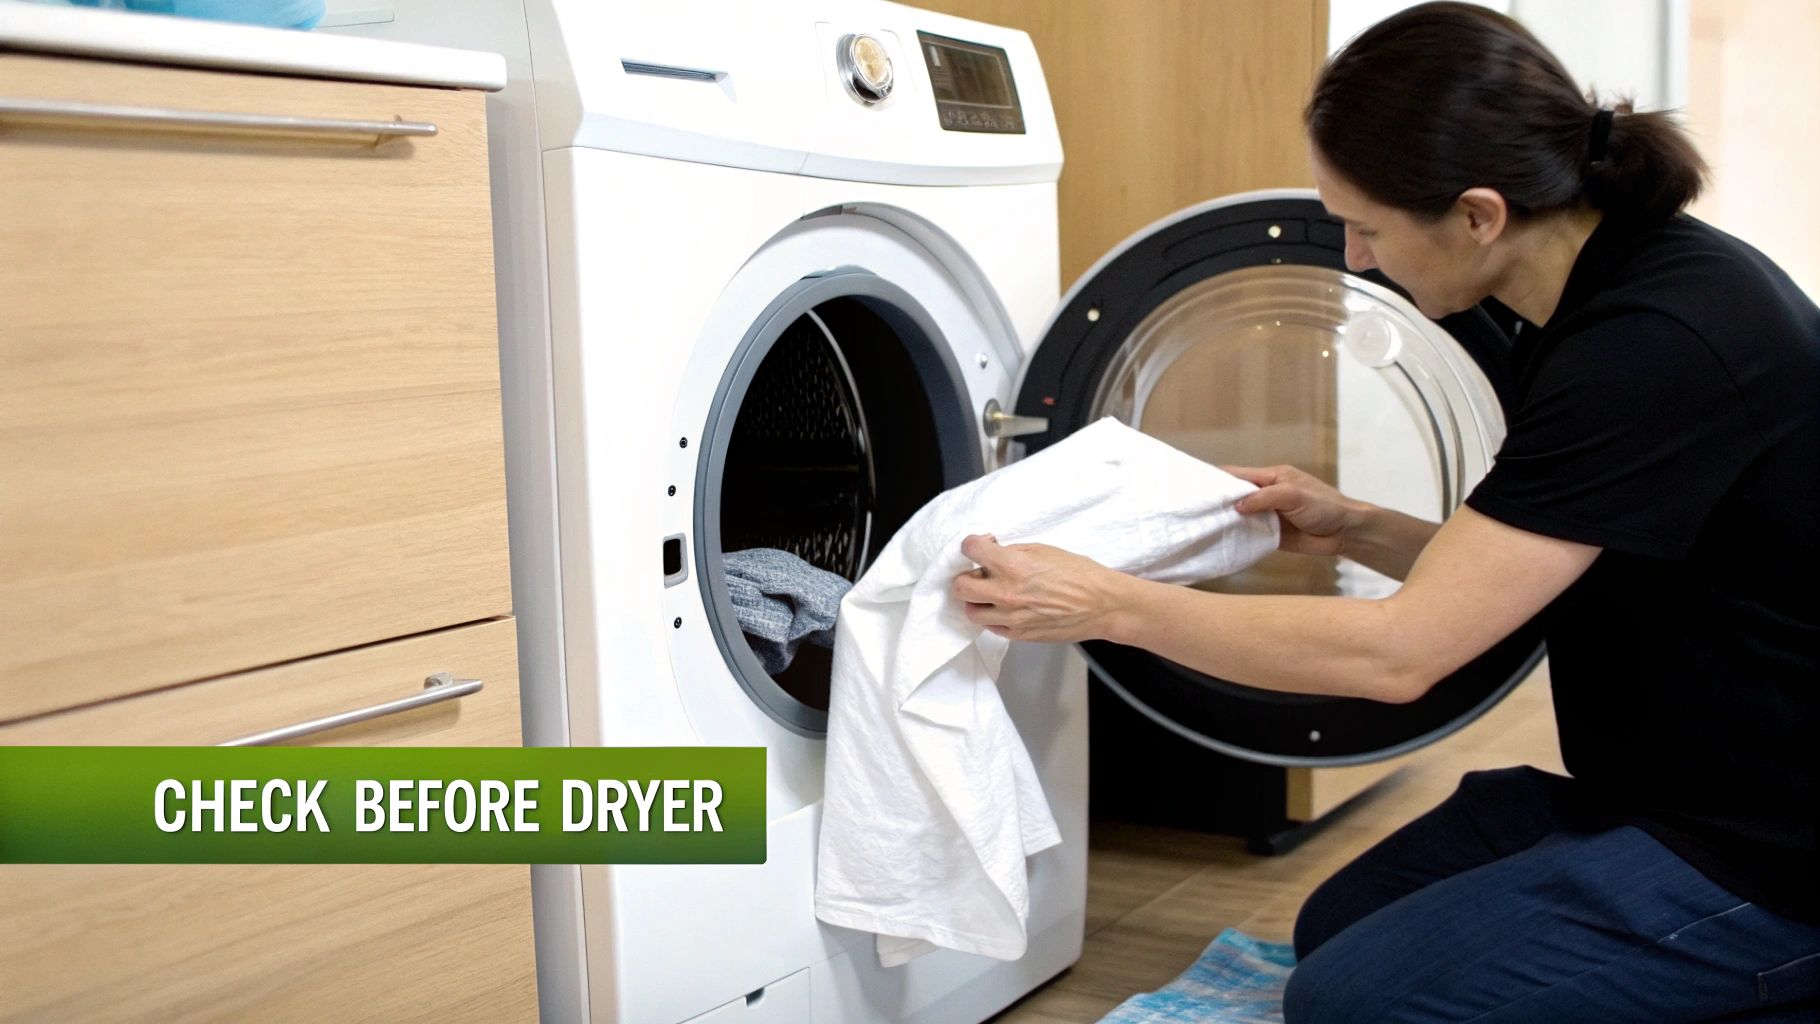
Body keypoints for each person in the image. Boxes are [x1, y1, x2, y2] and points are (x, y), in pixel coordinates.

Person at [949, 3, 1819, 1020]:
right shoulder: (1597, 284)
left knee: (1353, 1003)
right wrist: (1351, 522)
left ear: (1478, 215)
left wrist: (1107, 604)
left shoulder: (1650, 342)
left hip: (1769, 853)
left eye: (1364, 227)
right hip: (1665, 791)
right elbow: (1536, 560)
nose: (1354, 260)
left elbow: (1399, 655)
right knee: (1338, 929)